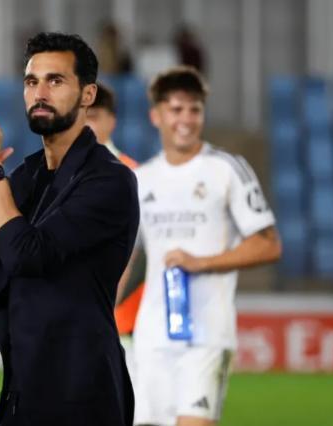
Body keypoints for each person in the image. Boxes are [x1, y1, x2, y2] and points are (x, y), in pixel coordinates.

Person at [0, 32, 139, 426]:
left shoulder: (110, 180)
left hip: (82, 395)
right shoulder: (26, 176)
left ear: (88, 94)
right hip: (21, 390)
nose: (40, 93)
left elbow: (25, 255)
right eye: (31, 82)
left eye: (55, 80)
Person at [128, 66, 281, 426]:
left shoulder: (227, 169)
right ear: (156, 116)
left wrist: (201, 262)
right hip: (151, 336)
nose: (186, 119)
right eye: (176, 109)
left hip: (207, 334)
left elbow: (269, 245)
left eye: (194, 110)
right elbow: (130, 258)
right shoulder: (140, 179)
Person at [85, 82, 143, 371]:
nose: (87, 125)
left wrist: (106, 305)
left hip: (123, 320)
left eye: (94, 117)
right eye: (82, 116)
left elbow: (136, 251)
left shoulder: (135, 175)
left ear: (112, 120)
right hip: (73, 320)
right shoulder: (58, 174)